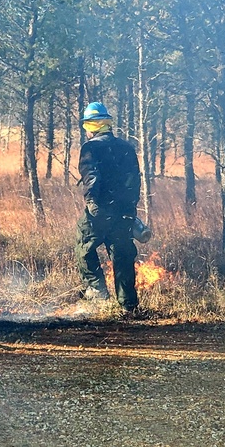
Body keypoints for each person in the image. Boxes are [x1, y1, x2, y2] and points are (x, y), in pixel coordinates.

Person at [74, 102, 142, 315]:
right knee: (122, 254)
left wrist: (92, 202)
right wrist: (130, 208)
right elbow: (135, 180)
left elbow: (92, 176)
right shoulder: (127, 147)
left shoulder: (91, 148)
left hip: (100, 210)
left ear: (91, 126)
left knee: (84, 246)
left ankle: (97, 292)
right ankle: (128, 306)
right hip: (123, 211)